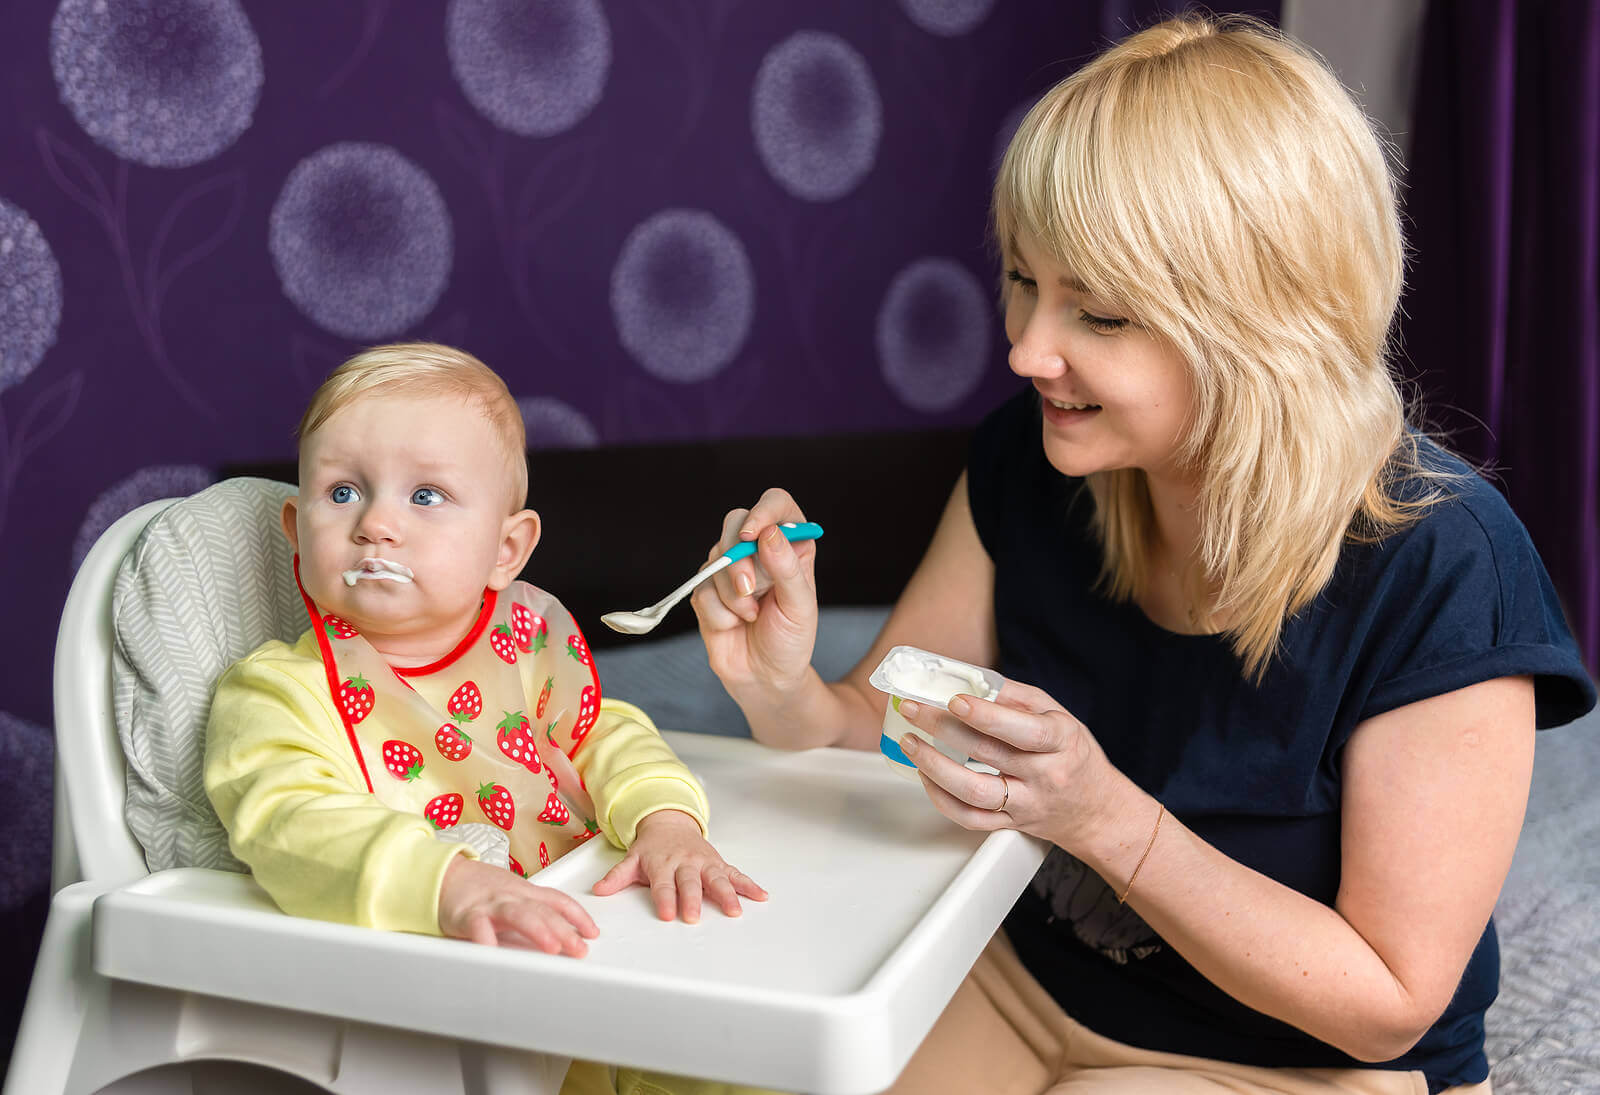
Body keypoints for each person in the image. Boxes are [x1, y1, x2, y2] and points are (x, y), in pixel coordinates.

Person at [690, 14, 1595, 1095]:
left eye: (1100, 313)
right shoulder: (1032, 467)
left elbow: (1387, 1008)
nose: (1027, 350)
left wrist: (1103, 817)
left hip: (1301, 1067)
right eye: (1023, 281)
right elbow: (881, 733)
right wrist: (784, 689)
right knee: (732, 1060)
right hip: (1028, 985)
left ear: (1266, 323)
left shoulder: (1446, 568)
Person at [205, 342, 769, 1095]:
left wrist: (665, 819)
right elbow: (292, 822)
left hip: (605, 949)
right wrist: (451, 884)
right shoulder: (279, 693)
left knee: (747, 1055)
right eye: (342, 493)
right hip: (449, 1016)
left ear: (507, 549)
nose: (376, 524)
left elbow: (602, 731)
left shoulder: (523, 646)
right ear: (292, 528)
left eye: (426, 495)